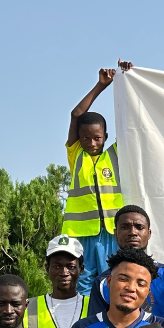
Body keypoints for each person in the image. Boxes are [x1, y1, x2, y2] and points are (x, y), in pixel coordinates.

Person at [64, 65, 131, 294]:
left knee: (114, 278)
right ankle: (85, 326)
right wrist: (101, 86)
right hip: (82, 234)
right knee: (83, 282)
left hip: (112, 232)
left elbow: (131, 122)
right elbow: (76, 115)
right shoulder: (76, 156)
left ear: (106, 138)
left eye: (97, 138)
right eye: (85, 138)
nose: (91, 143)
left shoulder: (115, 154)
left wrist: (126, 81)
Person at [85, 208, 164, 322]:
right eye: (125, 227)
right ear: (116, 233)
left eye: (139, 227)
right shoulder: (102, 282)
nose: (132, 232)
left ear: (149, 233)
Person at [31, 237, 89, 328]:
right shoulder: (30, 307)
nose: (64, 273)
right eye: (57, 266)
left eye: (71, 267)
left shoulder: (93, 305)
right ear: (47, 268)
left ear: (81, 269)